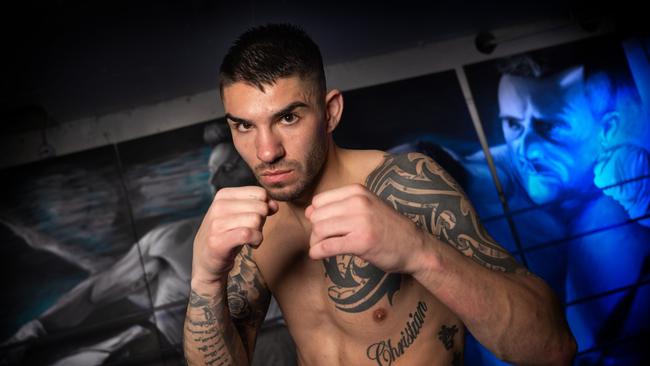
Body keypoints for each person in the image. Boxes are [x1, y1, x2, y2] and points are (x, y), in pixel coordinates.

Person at [183, 23, 576, 366]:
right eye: (244, 127)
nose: (267, 151)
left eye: (288, 117)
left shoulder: (406, 184)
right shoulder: (256, 229)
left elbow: (552, 348)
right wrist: (204, 280)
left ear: (331, 112)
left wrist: (419, 252)